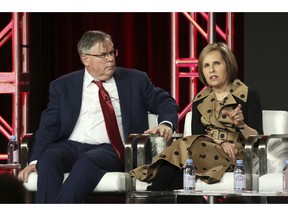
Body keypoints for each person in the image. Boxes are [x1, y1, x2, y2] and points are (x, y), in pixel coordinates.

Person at [17, 30, 179, 203]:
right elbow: (48, 126)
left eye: (112, 52)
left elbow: (164, 101)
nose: (111, 59)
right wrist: (35, 160)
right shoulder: (63, 86)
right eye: (103, 55)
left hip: (111, 148)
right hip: (70, 146)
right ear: (85, 59)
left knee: (87, 162)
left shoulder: (135, 80)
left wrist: (166, 123)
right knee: (48, 159)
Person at [130, 42, 263, 190]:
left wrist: (241, 125)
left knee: (182, 150)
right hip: (203, 151)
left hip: (234, 154)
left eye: (216, 63)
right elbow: (197, 136)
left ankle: (154, 194)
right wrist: (220, 142)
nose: (211, 70)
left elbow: (258, 139)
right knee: (183, 162)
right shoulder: (200, 99)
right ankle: (163, 197)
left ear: (228, 65)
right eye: (206, 66)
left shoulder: (247, 95)